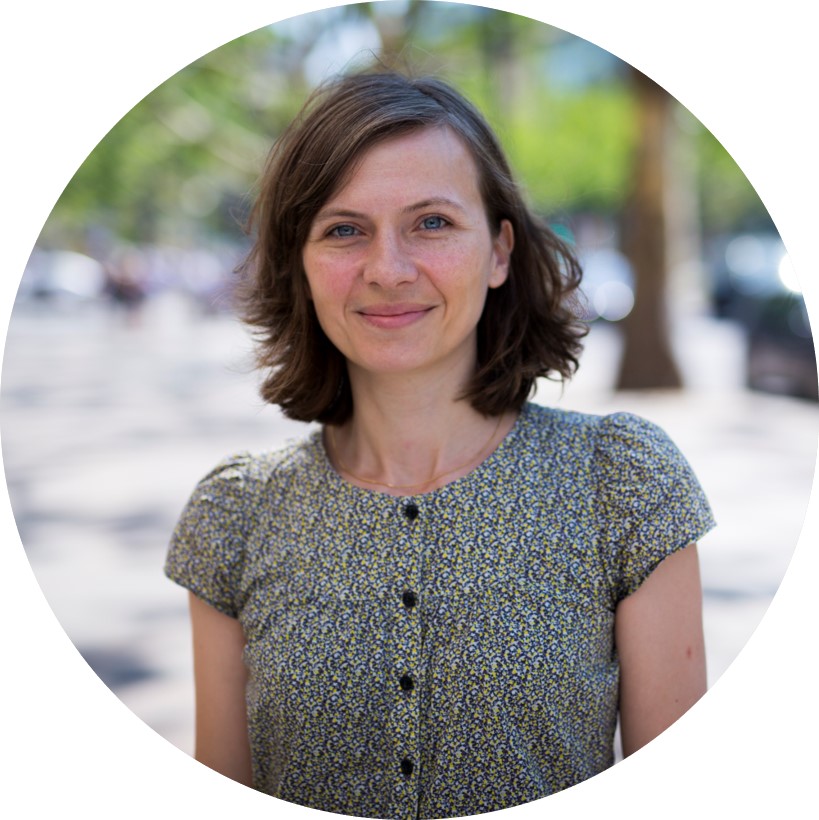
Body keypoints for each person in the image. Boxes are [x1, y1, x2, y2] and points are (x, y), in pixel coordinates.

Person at [165, 69, 715, 819]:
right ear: (300, 263)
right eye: (344, 229)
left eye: (431, 222)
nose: (387, 270)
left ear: (499, 251)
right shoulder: (234, 515)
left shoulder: (621, 484)